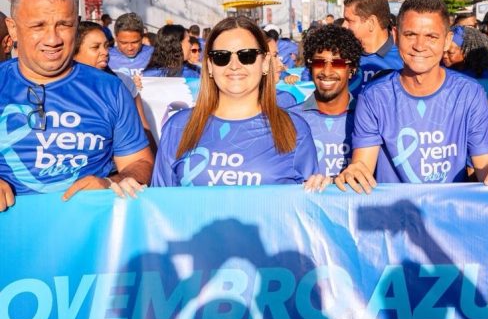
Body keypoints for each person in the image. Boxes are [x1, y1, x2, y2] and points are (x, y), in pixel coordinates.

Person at [334, 0, 488, 192]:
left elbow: (484, 164)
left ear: (447, 40)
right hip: (393, 211)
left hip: (450, 209)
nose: (419, 46)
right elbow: (363, 165)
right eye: (410, 35)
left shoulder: (470, 93)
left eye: (431, 37)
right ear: (396, 36)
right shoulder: (374, 97)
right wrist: (353, 173)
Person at [0, 0, 153, 211]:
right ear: (13, 28)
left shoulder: (110, 89)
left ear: (77, 23)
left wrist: (111, 183)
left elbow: (140, 162)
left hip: (88, 227)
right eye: (38, 26)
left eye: (64, 25)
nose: (52, 39)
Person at [152, 16, 325, 189]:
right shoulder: (178, 126)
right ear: (210, 65)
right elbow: (158, 201)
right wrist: (136, 191)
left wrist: (323, 188)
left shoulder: (294, 129)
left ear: (265, 63)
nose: (234, 65)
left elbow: (307, 202)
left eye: (247, 56)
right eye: (221, 57)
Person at [290, 25, 363, 177]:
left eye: (338, 63)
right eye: (318, 62)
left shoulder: (368, 119)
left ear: (352, 69)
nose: (327, 71)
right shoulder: (290, 119)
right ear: (310, 67)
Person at [74, 21, 157, 153]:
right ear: (74, 52)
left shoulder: (123, 82)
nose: (105, 52)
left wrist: (155, 161)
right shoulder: (56, 87)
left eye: (106, 46)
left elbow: (143, 127)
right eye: (95, 47)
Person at [340, 0, 403, 94]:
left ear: (371, 22)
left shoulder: (404, 60)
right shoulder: (341, 57)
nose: (343, 26)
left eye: (349, 20)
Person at [442, 25, 488, 94]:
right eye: (443, 51)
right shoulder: (439, 69)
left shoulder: (481, 76)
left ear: (466, 52)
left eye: (450, 53)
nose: (444, 56)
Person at [109, 12, 154, 77]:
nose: (130, 48)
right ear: (116, 38)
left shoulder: (155, 55)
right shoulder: (105, 57)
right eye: (124, 43)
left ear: (142, 37)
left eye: (135, 42)